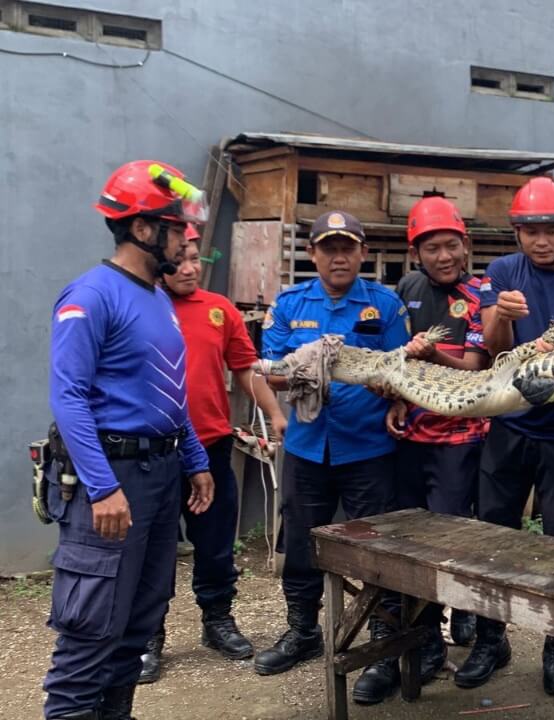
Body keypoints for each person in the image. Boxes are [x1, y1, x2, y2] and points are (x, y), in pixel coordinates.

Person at [43, 160, 215, 720]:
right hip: (114, 481)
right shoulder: (91, 296)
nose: (186, 239)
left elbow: (165, 393)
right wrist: (101, 488)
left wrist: (194, 458)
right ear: (142, 229)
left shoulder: (158, 298)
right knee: (90, 628)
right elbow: (68, 398)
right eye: (174, 227)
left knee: (138, 621)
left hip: (161, 478)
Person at [463, 177, 554, 694]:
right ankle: (489, 639)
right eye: (530, 230)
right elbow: (493, 348)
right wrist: (502, 315)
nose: (541, 240)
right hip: (510, 425)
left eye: (551, 229)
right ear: (516, 233)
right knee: (493, 536)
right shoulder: (503, 272)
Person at [254, 210, 410, 678]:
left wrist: (394, 395)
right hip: (306, 448)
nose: (338, 257)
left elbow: (401, 371)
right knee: (301, 543)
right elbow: (270, 371)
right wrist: (300, 372)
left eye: (347, 247)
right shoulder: (289, 304)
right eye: (328, 247)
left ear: (363, 252)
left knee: (377, 551)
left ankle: (382, 645)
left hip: (368, 448)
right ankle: (302, 631)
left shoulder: (385, 305)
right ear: (312, 253)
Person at [352, 196, 491, 703]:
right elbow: (397, 360)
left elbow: (478, 366)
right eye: (431, 247)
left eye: (451, 244)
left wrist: (436, 353)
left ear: (466, 245)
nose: (443, 255)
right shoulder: (406, 290)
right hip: (411, 433)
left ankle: (456, 622)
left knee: (449, 540)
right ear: (416, 254)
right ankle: (425, 638)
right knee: (407, 540)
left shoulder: (480, 295)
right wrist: (395, 397)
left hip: (460, 436)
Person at [139, 226, 289, 683]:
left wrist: (274, 412)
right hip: (157, 450)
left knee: (216, 542)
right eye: (177, 261)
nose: (187, 269)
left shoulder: (219, 310)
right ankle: (148, 635)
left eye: (193, 260)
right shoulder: (142, 306)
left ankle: (217, 621)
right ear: (160, 263)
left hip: (211, 443)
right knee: (154, 548)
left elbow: (245, 369)